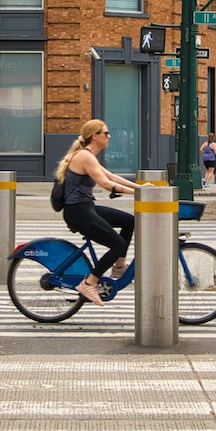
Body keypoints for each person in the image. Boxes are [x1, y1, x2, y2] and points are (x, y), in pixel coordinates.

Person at [55, 119, 139, 306]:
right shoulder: (85, 156)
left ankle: (118, 268)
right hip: (78, 212)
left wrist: (141, 187)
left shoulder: (88, 155)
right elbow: (106, 184)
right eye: (106, 133)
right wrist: (138, 193)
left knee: (129, 221)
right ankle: (89, 283)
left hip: (86, 207)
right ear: (95, 136)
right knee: (117, 245)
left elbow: (111, 176)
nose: (109, 137)